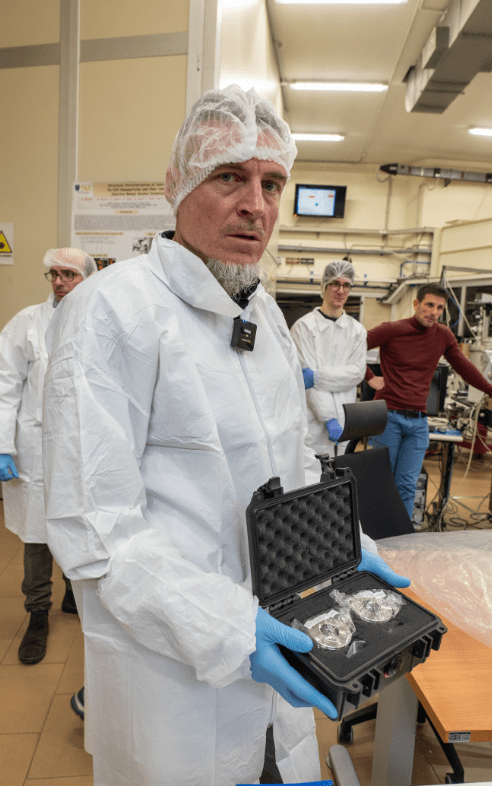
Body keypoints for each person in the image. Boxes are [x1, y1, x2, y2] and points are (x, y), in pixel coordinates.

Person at [42, 85, 409, 786]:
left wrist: (351, 549)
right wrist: (230, 631)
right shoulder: (112, 312)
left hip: (282, 658)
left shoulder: (265, 314)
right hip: (173, 678)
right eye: (230, 177)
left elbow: (295, 467)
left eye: (273, 183)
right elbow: (96, 532)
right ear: (177, 185)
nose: (257, 204)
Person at [0, 247, 97, 664]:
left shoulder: (98, 321)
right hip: (36, 449)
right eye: (54, 274)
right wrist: (2, 446)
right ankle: (37, 611)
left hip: (83, 447)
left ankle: (74, 596)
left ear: (86, 279)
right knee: (38, 533)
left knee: (80, 522)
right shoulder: (26, 322)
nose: (59, 281)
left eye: (69, 274)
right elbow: (5, 386)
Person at [366, 283, 492, 520]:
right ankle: (377, 538)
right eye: (429, 305)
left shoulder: (443, 334)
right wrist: (370, 378)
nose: (434, 312)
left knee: (406, 485)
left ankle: (401, 541)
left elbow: (464, 368)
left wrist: (489, 390)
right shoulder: (391, 330)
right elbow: (351, 348)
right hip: (388, 417)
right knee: (383, 482)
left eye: (439, 308)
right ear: (417, 304)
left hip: (418, 423)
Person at [290, 260, 368, 456]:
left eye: (346, 285)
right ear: (323, 286)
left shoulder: (357, 331)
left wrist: (316, 377)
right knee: (311, 480)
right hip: (313, 424)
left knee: (341, 482)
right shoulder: (303, 328)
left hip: (345, 423)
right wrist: (328, 418)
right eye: (335, 284)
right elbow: (305, 383)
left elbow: (356, 373)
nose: (340, 290)